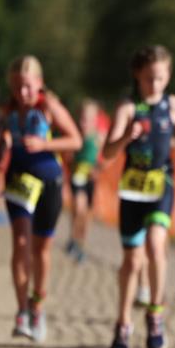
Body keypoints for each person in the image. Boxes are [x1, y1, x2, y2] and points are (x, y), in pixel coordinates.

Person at [101, 45, 175, 348]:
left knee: (156, 244)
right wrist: (127, 135)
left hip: (161, 183)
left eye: (161, 78)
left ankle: (156, 315)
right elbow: (108, 152)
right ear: (137, 76)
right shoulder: (128, 108)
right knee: (131, 260)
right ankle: (123, 322)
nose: (155, 84)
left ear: (168, 76)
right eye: (149, 78)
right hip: (132, 189)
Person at [0, 55, 82, 343]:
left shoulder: (48, 107)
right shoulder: (8, 111)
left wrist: (45, 144)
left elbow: (75, 139)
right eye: (17, 86)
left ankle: (37, 306)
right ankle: (21, 312)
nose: (22, 92)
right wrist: (2, 148)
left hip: (48, 182)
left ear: (39, 84)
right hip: (18, 180)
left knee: (41, 249)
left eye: (28, 86)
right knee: (20, 243)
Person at [65, 99, 107, 263]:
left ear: (95, 119)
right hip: (77, 178)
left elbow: (107, 158)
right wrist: (71, 164)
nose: (85, 122)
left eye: (89, 119)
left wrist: (97, 169)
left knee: (85, 215)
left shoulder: (99, 137)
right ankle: (73, 239)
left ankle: (79, 243)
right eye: (83, 118)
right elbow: (67, 155)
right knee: (79, 207)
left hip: (90, 180)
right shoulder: (75, 134)